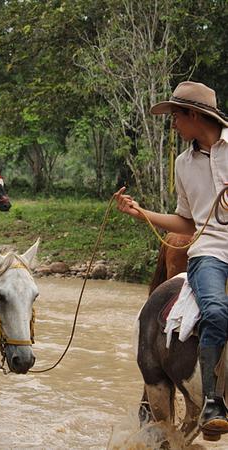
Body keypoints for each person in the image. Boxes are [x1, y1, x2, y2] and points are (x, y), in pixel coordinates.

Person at [114, 81, 228, 437]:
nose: (173, 125)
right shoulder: (183, 163)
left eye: (175, 117)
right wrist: (142, 214)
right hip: (209, 251)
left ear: (193, 115)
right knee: (216, 310)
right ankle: (212, 401)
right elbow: (188, 221)